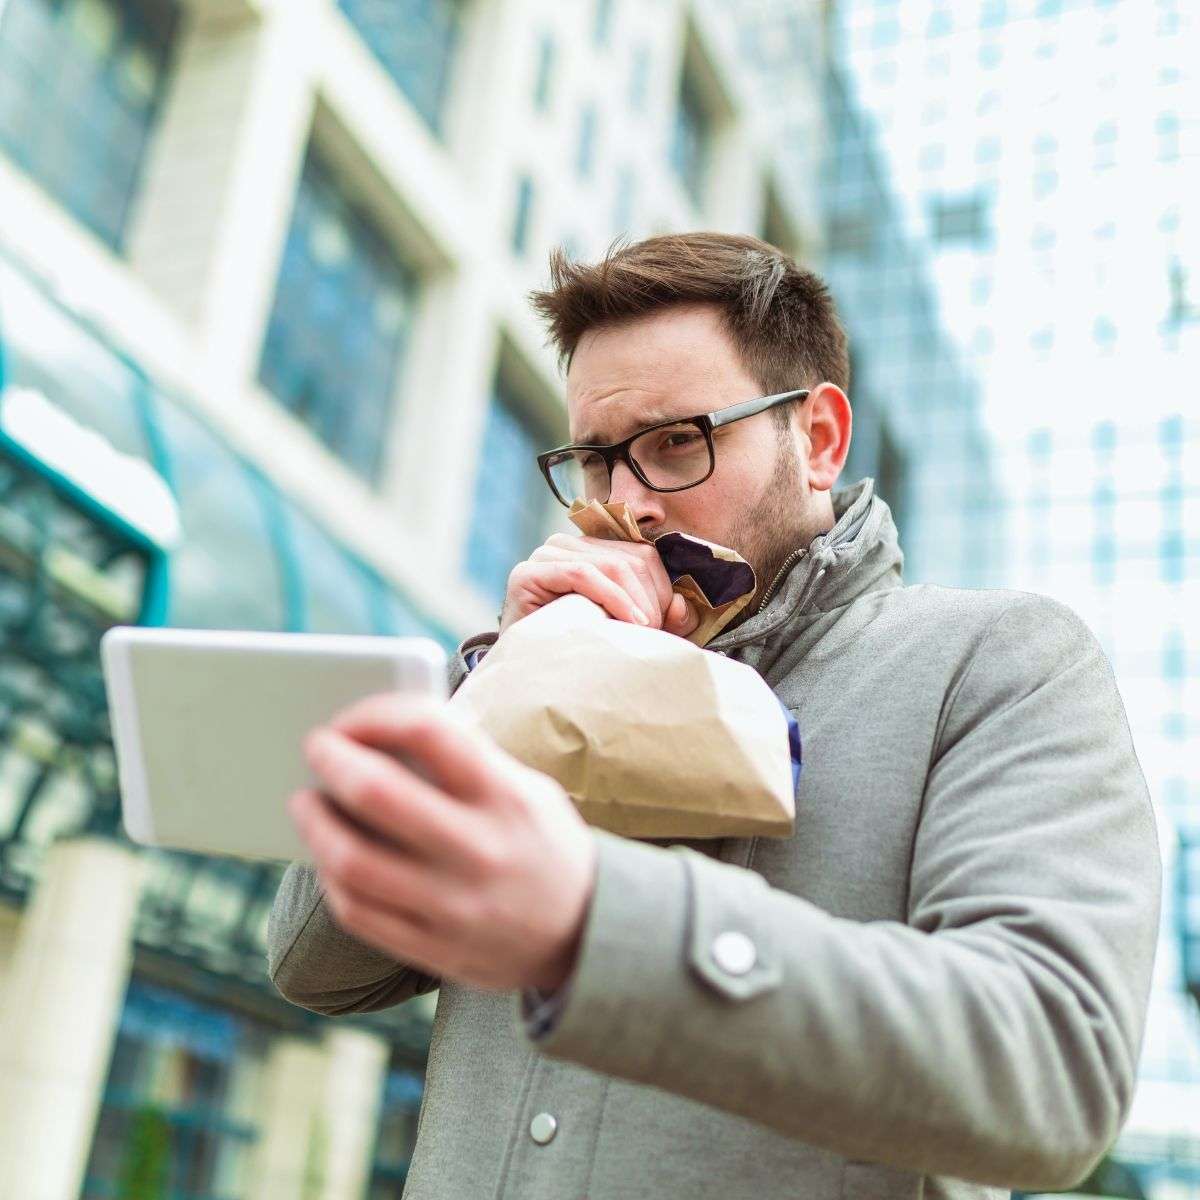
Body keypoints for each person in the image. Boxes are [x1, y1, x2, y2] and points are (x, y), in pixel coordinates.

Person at [267, 232, 1161, 1200]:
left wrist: (592, 923)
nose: (627, 505)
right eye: (598, 461)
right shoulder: (521, 676)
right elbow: (312, 965)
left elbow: (1054, 1065)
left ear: (817, 441)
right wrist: (493, 688)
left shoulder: (996, 666)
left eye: (675, 445)